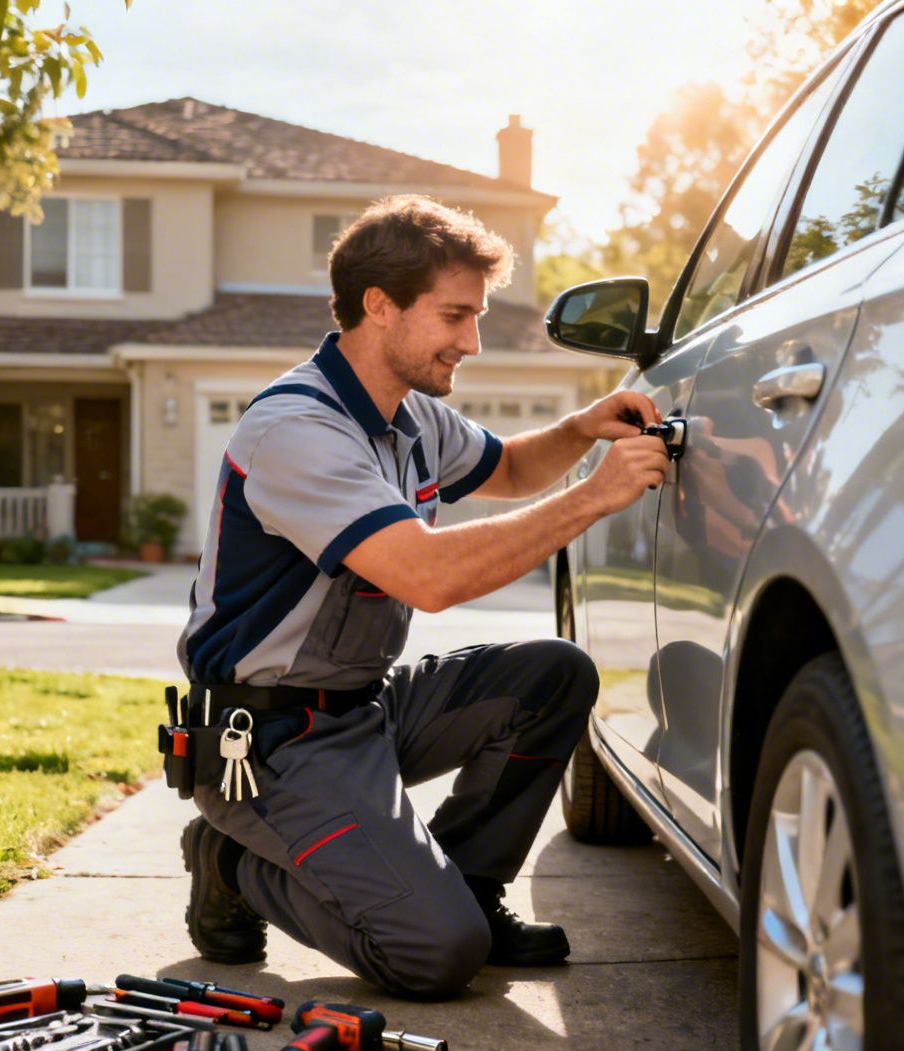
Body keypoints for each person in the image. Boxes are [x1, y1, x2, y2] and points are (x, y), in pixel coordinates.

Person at [173, 194, 669, 999]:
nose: (470, 341)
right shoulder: (298, 430)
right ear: (379, 305)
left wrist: (582, 429)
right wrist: (592, 498)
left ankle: (468, 888)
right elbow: (428, 576)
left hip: (362, 710)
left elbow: (508, 468)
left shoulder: (410, 419)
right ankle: (229, 859)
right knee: (435, 956)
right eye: (454, 316)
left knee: (555, 673)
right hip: (268, 742)